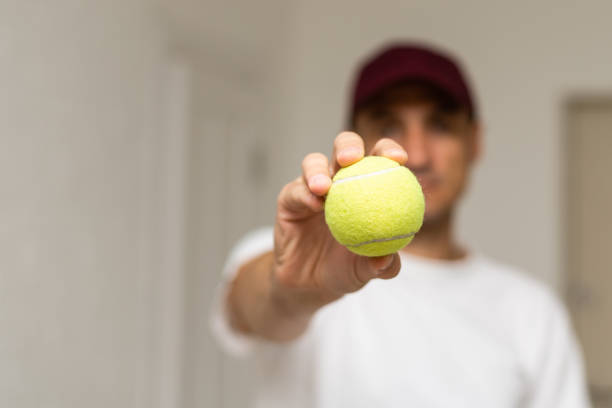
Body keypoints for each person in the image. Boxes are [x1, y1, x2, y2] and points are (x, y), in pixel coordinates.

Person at [209, 43, 590, 407]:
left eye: (440, 124)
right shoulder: (290, 251)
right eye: (389, 124)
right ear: (354, 139)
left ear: (474, 141)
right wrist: (291, 291)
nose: (419, 154)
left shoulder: (533, 313)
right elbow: (255, 307)